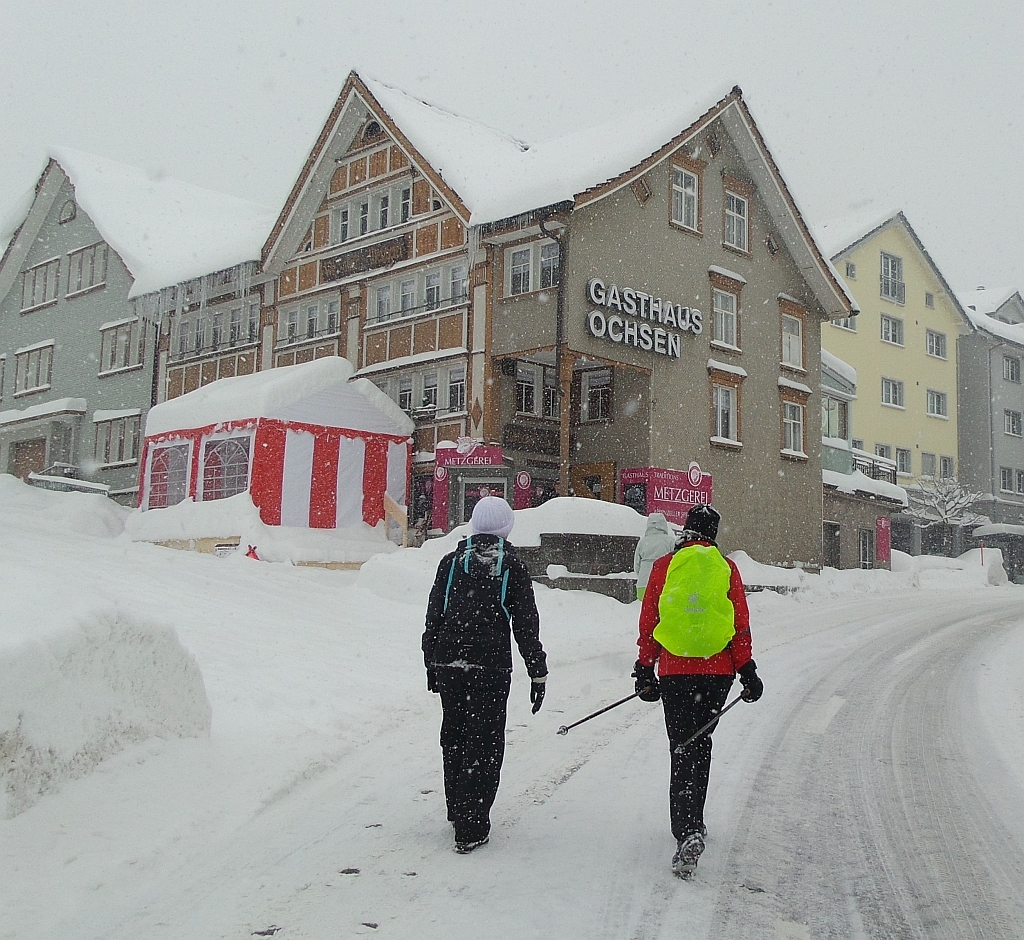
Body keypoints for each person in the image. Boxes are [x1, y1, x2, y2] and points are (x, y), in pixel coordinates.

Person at [632, 503, 763, 879]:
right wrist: (747, 670)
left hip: (676, 672)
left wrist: (645, 667)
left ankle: (685, 828)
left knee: (681, 746)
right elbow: (739, 623)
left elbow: (651, 620)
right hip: (716, 673)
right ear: (714, 534)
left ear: (686, 530)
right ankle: (695, 822)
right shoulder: (726, 568)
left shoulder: (664, 566)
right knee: (700, 743)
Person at [422, 496, 548, 854]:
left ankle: (456, 806)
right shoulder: (512, 567)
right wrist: (537, 671)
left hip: (450, 662)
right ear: (506, 529)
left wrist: (432, 661)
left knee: (454, 733)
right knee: (485, 740)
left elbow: (435, 615)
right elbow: (526, 625)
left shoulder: (450, 563)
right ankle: (472, 823)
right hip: (491, 666)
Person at [633, 512, 677, 601]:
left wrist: (643, 575)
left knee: (646, 608)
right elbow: (675, 562)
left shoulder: (643, 542)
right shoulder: (670, 541)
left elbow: (637, 565)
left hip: (643, 584)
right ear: (664, 524)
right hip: (663, 582)